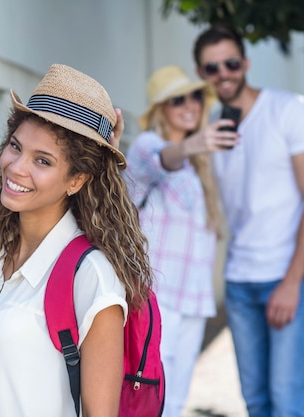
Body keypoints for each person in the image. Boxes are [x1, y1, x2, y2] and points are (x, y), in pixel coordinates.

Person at [0, 64, 152, 417]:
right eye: (15, 147)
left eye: (42, 161)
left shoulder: (91, 276)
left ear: (76, 180)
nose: (16, 167)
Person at [193, 24, 304, 417]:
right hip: (240, 280)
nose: (224, 74)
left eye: (231, 63)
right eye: (212, 67)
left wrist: (292, 281)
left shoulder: (291, 110)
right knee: (256, 403)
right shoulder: (213, 130)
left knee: (287, 402)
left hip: (288, 276)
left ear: (246, 63)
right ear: (203, 74)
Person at [123, 65, 238, 417]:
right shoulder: (147, 146)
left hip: (194, 298)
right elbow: (163, 160)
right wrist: (193, 144)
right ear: (161, 109)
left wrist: (196, 149)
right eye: (177, 100)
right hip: (159, 297)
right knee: (150, 395)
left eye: (195, 97)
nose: (190, 105)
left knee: (176, 399)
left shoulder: (199, 164)